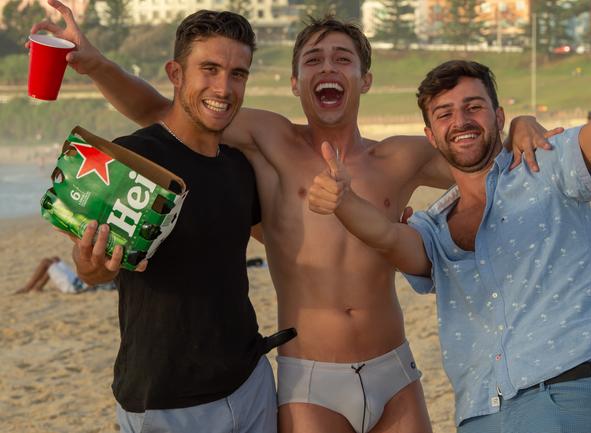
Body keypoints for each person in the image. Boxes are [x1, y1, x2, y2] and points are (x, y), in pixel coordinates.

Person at [32, 2, 557, 432]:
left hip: (395, 370)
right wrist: (95, 63)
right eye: (313, 60)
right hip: (310, 379)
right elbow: (164, 111)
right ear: (293, 82)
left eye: (342, 59)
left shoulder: (401, 157)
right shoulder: (270, 139)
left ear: (365, 78)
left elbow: (477, 156)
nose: (327, 68)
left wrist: (521, 125)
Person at [307, 27, 591, 431]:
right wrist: (343, 200)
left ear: (499, 117)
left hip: (565, 389)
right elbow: (386, 237)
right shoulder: (432, 227)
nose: (461, 121)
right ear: (430, 136)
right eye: (445, 114)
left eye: (474, 107)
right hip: (480, 410)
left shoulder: (550, 166)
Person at [39, 10, 293, 433]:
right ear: (175, 73)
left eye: (237, 73)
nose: (224, 87)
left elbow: (277, 239)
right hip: (164, 401)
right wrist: (89, 266)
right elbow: (91, 265)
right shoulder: (135, 160)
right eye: (209, 69)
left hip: (250, 385)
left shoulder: (239, 166)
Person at [14, 256, 115, 294]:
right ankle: (38, 287)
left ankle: (27, 288)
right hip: (78, 280)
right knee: (55, 259)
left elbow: (96, 283)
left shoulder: (111, 279)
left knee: (46, 262)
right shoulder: (113, 274)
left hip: (74, 287)